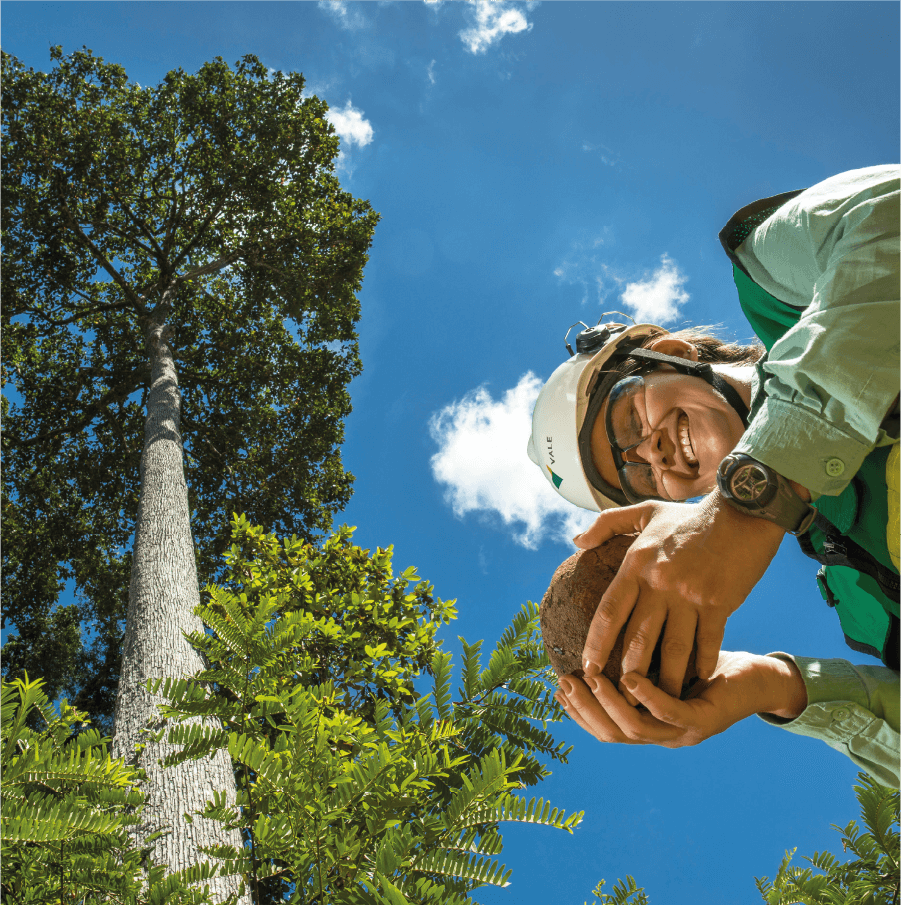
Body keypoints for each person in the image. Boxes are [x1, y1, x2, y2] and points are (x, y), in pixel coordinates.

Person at [527, 165, 900, 785]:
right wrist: (770, 685)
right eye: (638, 481)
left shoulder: (777, 287)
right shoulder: (866, 602)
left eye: (625, 422)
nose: (650, 455)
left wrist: (753, 497)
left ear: (670, 355)